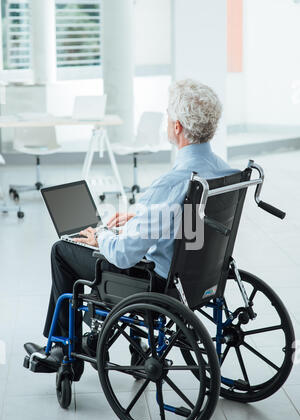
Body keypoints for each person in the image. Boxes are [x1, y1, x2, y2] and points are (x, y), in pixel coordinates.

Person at [24, 78, 236, 378]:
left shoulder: (174, 183)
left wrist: (102, 235)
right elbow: (190, 225)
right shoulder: (223, 172)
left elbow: (122, 256)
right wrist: (138, 217)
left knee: (62, 251)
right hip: (199, 277)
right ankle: (80, 341)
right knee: (100, 245)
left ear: (176, 127)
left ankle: (62, 350)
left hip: (157, 285)